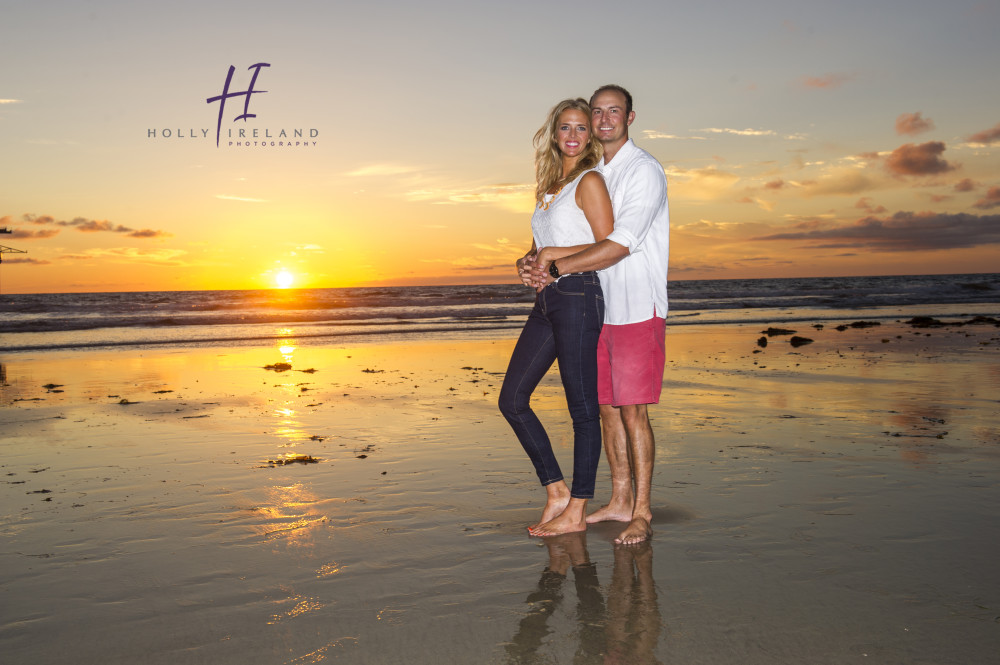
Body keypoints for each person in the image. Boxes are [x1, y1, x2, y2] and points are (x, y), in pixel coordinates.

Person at [527, 85, 669, 545]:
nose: (605, 119)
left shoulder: (643, 170)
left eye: (614, 112)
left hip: (634, 305)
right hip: (598, 306)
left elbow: (621, 242)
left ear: (630, 117)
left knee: (632, 411)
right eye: (598, 112)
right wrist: (534, 261)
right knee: (606, 409)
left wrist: (555, 266)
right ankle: (620, 498)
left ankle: (642, 512)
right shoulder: (592, 171)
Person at [499, 98, 614, 537]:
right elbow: (539, 247)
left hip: (580, 296)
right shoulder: (550, 187)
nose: (572, 135)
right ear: (554, 133)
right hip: (547, 302)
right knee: (511, 400)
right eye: (565, 127)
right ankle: (557, 490)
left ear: (590, 135)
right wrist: (526, 262)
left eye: (581, 128)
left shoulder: (590, 181)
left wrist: (552, 256)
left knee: (582, 410)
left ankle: (578, 509)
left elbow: (608, 242)